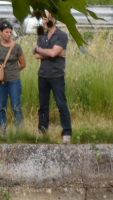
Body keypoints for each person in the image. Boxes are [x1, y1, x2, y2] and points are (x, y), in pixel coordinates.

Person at [33, 11, 72, 144]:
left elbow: (53, 53)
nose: (43, 22)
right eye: (43, 19)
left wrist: (39, 50)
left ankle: (67, 132)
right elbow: (37, 56)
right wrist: (50, 53)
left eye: (46, 19)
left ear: (53, 20)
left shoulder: (62, 35)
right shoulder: (41, 35)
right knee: (43, 105)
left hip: (57, 75)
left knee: (61, 104)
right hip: (43, 74)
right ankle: (42, 131)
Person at [0, 20, 26, 135]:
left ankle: (20, 132)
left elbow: (23, 64)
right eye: (6, 32)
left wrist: (13, 71)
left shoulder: (16, 47)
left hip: (14, 80)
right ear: (0, 32)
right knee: (1, 107)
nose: (9, 34)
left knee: (16, 106)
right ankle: (2, 131)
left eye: (10, 32)